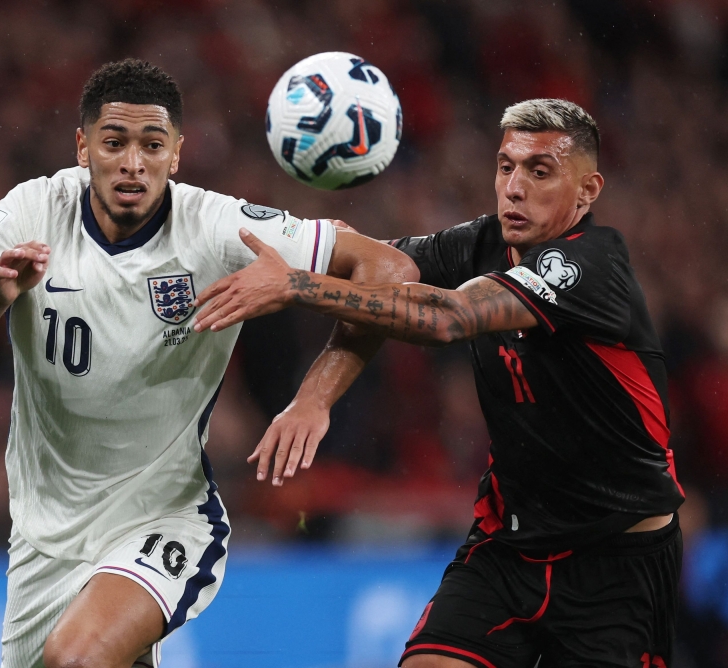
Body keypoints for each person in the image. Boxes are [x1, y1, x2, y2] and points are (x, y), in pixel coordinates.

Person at [0, 59, 416, 668]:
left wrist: (314, 394)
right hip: (45, 535)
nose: (134, 163)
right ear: (82, 147)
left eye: (153, 145)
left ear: (176, 154)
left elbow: (390, 270)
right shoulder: (33, 211)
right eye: (114, 142)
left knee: (75, 659)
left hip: (167, 517)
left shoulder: (216, 228)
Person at [193, 98, 685, 668]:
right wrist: (313, 398)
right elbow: (380, 275)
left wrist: (297, 286)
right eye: (506, 167)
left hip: (616, 561)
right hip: (510, 546)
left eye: (540, 171)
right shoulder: (481, 243)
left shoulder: (595, 267)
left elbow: (448, 318)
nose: (515, 187)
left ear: (588, 189)